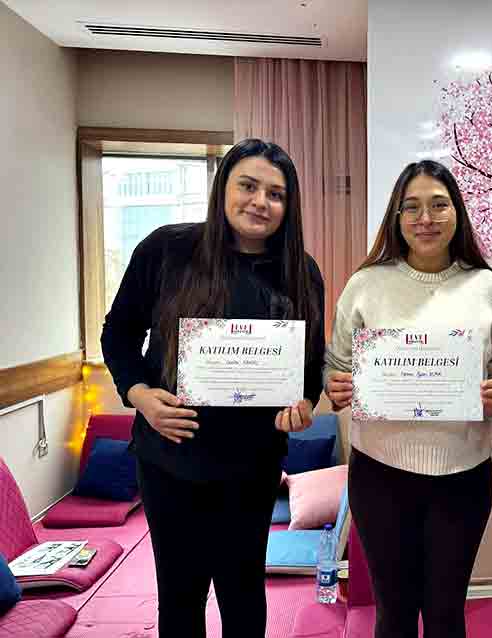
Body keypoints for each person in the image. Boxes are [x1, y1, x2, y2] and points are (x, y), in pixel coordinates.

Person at [101, 139, 325, 638]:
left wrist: (305, 405)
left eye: (276, 194)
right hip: (170, 459)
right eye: (248, 186)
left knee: (244, 596)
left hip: (253, 467)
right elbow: (118, 333)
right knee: (180, 597)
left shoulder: (301, 271)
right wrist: (139, 394)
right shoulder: (167, 249)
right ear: (223, 187)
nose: (260, 202)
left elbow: (310, 369)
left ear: (289, 206)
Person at [324, 160, 492, 638]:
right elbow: (336, 363)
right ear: (396, 216)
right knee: (392, 614)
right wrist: (335, 383)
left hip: (464, 475)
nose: (425, 218)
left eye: (438, 205)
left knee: (446, 615)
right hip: (379, 474)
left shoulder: (487, 286)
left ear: (457, 213)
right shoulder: (366, 283)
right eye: (411, 207)